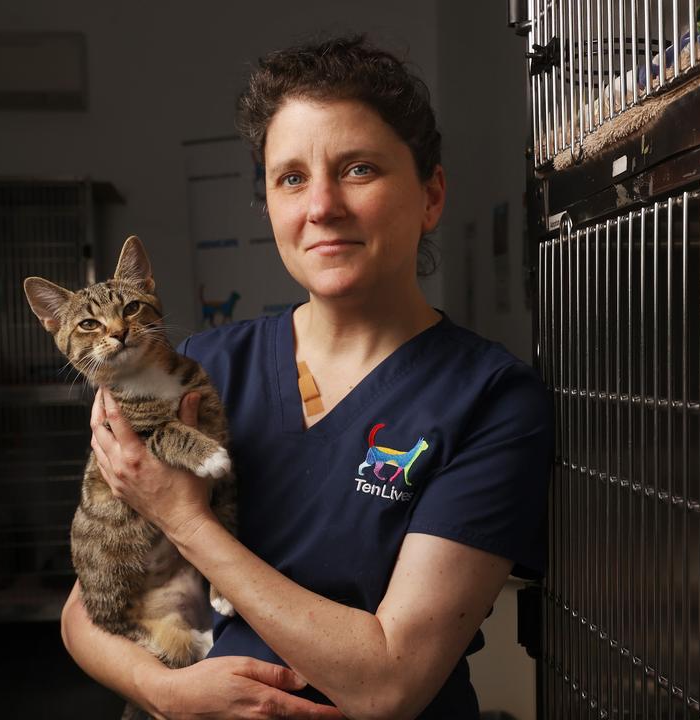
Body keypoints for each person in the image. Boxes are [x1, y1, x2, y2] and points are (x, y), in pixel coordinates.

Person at [61, 35, 552, 720]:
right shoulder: (202, 368)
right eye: (291, 177)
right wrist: (165, 693)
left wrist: (184, 520)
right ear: (270, 207)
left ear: (431, 195)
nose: (321, 205)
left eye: (358, 169)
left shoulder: (489, 400)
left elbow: (389, 681)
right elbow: (87, 612)